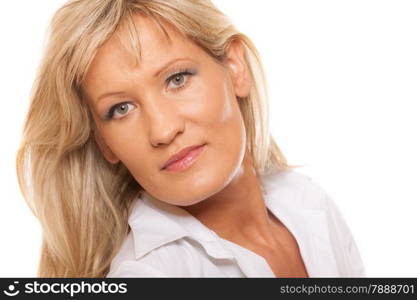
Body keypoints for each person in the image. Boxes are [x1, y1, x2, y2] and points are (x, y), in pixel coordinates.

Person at [16, 0, 365, 278]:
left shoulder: (308, 202)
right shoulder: (152, 274)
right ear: (105, 143)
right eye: (121, 108)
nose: (163, 130)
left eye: (177, 79)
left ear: (234, 68)